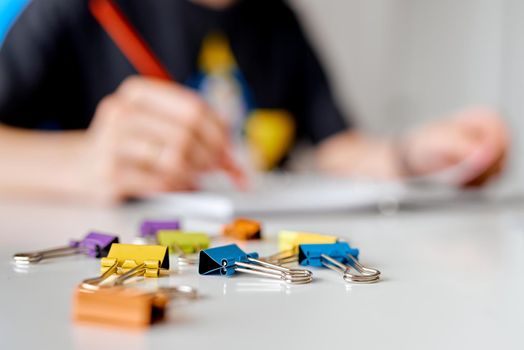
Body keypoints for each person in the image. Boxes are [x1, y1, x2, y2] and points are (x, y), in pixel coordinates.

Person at [0, 0, 508, 202]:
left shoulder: (278, 19)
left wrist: (413, 157)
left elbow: (335, 144)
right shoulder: (76, 7)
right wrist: (78, 166)